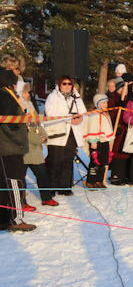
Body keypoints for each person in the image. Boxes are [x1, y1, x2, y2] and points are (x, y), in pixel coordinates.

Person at [0, 70, 36, 231]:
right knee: (15, 183)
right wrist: (21, 140)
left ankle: (3, 219)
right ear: (11, 84)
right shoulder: (7, 97)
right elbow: (9, 124)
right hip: (10, 147)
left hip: (3, 148)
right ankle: (16, 219)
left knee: (3, 184)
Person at [44, 75, 86, 195]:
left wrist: (81, 118)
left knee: (67, 161)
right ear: (59, 85)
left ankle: (64, 186)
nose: (67, 86)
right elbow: (50, 112)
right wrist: (69, 118)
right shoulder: (53, 97)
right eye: (64, 83)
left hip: (72, 133)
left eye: (69, 83)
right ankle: (51, 187)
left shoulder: (76, 98)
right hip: (57, 133)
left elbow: (84, 113)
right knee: (55, 161)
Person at [20, 84, 57, 207]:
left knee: (42, 175)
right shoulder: (17, 108)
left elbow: (37, 124)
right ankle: (20, 202)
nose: (28, 95)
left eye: (28, 92)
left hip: (35, 151)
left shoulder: (30, 106)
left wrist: (44, 135)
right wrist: (38, 139)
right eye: (26, 92)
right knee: (20, 178)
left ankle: (46, 198)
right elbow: (22, 131)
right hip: (24, 150)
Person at [83, 93, 114, 189]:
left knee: (103, 161)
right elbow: (92, 127)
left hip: (105, 141)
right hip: (96, 142)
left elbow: (107, 127)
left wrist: (109, 140)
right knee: (95, 162)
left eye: (106, 103)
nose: (105, 105)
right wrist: (93, 141)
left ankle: (99, 180)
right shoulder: (94, 114)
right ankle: (90, 181)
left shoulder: (105, 114)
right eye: (103, 103)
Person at [107, 76, 131, 185]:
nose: (124, 91)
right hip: (117, 129)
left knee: (126, 151)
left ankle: (125, 175)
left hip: (127, 129)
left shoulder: (128, 99)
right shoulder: (113, 98)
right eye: (122, 89)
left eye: (125, 89)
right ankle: (116, 175)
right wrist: (117, 107)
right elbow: (110, 115)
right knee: (117, 152)